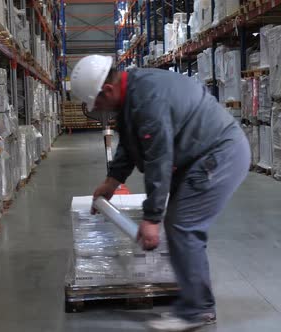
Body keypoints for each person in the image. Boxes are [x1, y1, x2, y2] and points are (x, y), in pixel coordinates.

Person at [70, 55, 251, 331]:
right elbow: (130, 143)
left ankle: (198, 310)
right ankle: (196, 299)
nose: (99, 110)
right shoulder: (133, 93)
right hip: (197, 155)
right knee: (180, 224)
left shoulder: (146, 100)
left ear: (107, 90)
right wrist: (111, 181)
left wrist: (151, 218)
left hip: (218, 155)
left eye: (97, 104)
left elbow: (159, 158)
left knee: (183, 225)